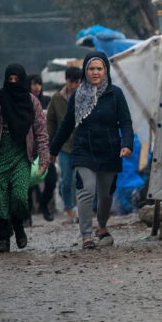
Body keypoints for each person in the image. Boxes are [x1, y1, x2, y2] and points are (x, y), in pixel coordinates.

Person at [49, 52, 133, 250]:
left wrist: (126, 144)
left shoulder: (115, 94)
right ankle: (86, 235)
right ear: (86, 71)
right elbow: (66, 125)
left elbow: (126, 122)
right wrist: (53, 150)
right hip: (84, 150)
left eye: (99, 68)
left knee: (105, 195)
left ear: (106, 71)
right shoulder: (78, 96)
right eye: (91, 69)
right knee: (87, 189)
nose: (95, 72)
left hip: (109, 149)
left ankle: (102, 227)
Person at [0, 64, 50, 252]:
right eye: (11, 80)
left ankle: (18, 226)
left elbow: (41, 131)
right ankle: (3, 240)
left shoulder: (31, 102)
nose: (14, 83)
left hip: (21, 156)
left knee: (19, 195)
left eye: (17, 80)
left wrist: (44, 158)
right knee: (0, 199)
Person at [46, 65, 83, 221]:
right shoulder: (56, 98)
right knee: (67, 179)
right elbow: (51, 123)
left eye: (77, 82)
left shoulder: (85, 96)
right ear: (66, 80)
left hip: (82, 145)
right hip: (64, 146)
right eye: (71, 82)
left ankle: (79, 210)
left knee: (81, 180)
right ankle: (69, 209)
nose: (74, 86)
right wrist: (51, 148)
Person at [28, 73, 57, 221]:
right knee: (28, 182)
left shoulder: (48, 101)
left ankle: (44, 205)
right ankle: (26, 215)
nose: (36, 87)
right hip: (27, 148)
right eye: (33, 84)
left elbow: (54, 122)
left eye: (39, 84)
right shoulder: (24, 103)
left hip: (46, 147)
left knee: (51, 180)